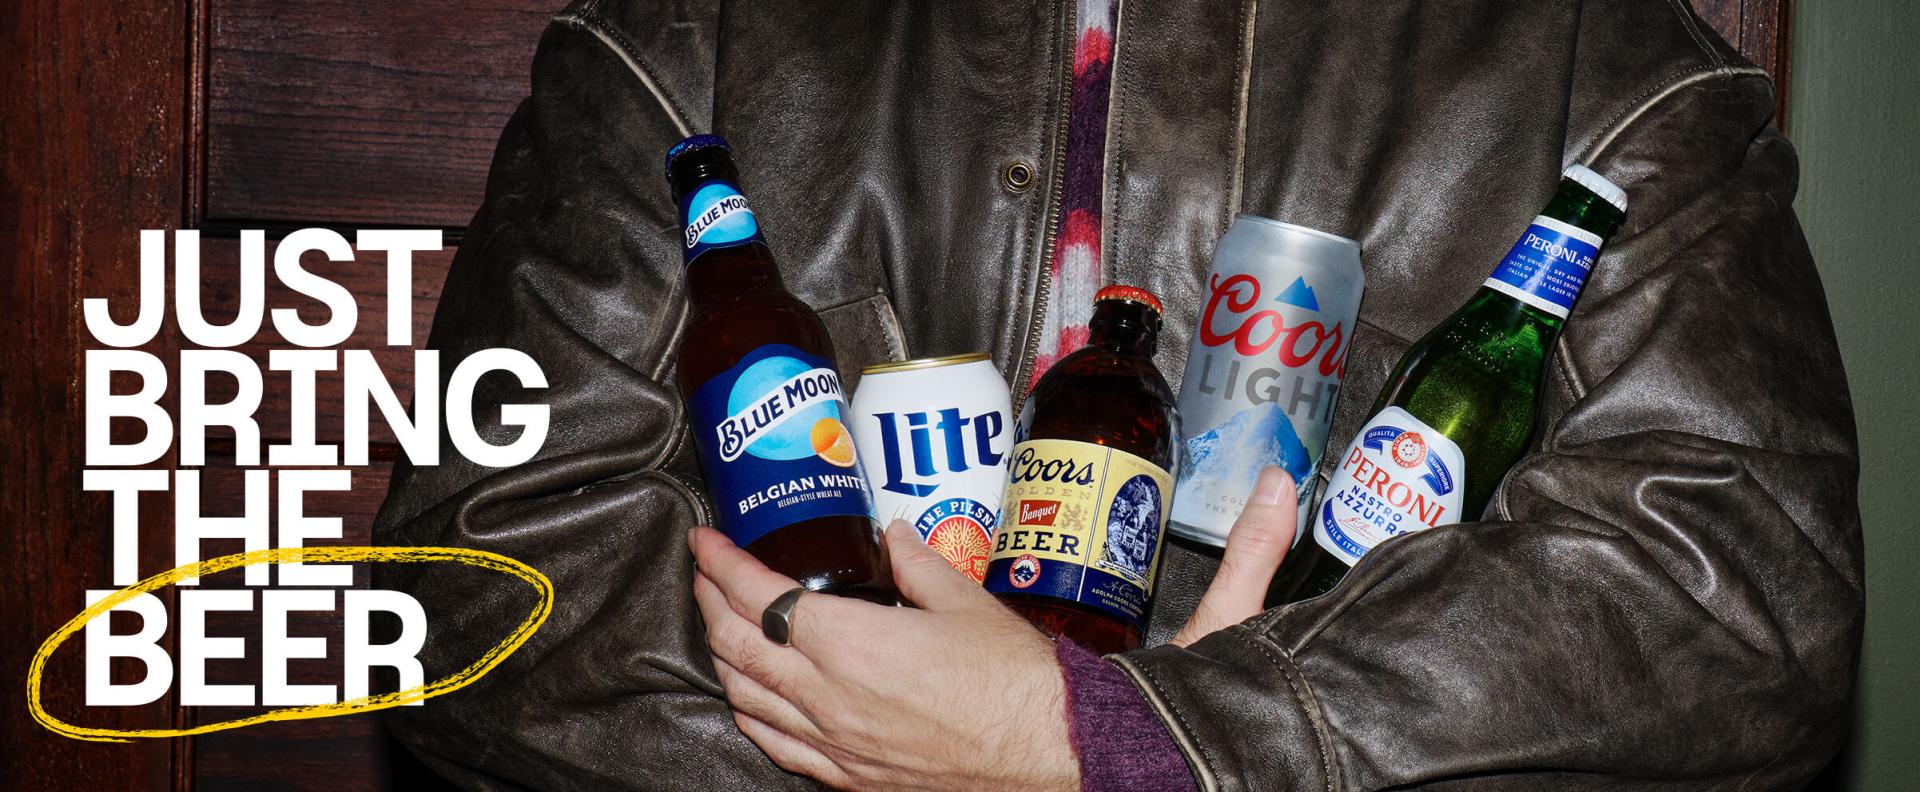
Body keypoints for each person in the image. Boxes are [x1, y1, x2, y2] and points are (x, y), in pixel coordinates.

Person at [372, 0, 1863, 789]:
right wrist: (911, 753)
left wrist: (1114, 744)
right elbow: (489, 570)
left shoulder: (1603, 69)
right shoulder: (689, 35)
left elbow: (1736, 608)